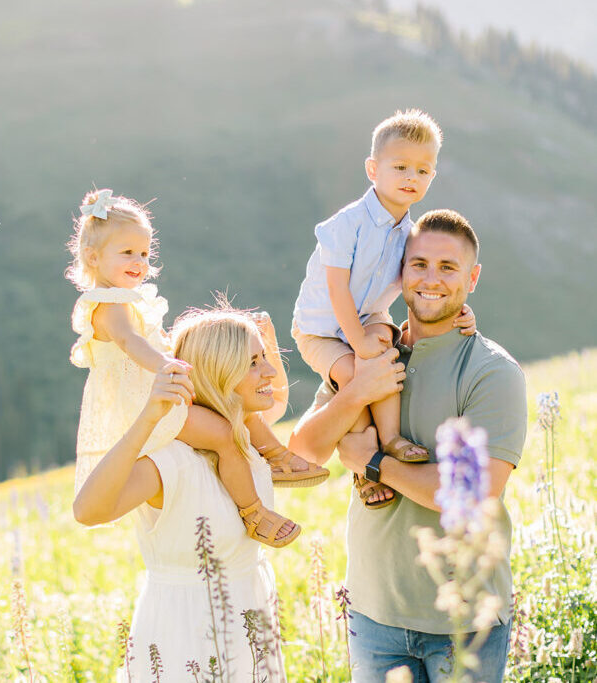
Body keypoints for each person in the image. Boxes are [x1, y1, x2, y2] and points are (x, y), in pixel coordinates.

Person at [289, 210, 527, 682]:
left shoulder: (491, 371)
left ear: (472, 278)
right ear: (399, 271)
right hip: (373, 616)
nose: (431, 279)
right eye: (418, 264)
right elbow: (302, 452)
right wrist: (358, 389)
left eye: (448, 267)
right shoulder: (367, 353)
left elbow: (473, 493)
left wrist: (373, 463)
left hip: (464, 623)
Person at [66, 189, 328, 547]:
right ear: (92, 257)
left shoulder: (128, 300)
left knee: (232, 401)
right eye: (127, 252)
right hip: (148, 402)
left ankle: (275, 455)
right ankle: (254, 512)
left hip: (162, 389)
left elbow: (154, 341)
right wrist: (166, 366)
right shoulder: (108, 306)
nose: (139, 261)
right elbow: (131, 343)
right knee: (222, 435)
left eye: (144, 253)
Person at [73, 308, 287, 681]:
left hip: (249, 633)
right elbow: (87, 511)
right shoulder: (172, 462)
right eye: (253, 362)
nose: (269, 371)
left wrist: (265, 333)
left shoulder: (247, 446)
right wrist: (149, 419)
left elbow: (276, 398)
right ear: (218, 372)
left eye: (265, 358)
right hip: (181, 640)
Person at [291, 110, 475, 503]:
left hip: (368, 317)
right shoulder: (348, 224)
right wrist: (358, 344)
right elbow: (337, 288)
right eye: (401, 167)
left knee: (384, 354)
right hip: (320, 328)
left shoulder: (409, 234)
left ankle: (390, 439)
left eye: (423, 171)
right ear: (373, 169)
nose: (412, 177)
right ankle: (364, 468)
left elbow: (421, 286)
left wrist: (459, 311)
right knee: (357, 376)